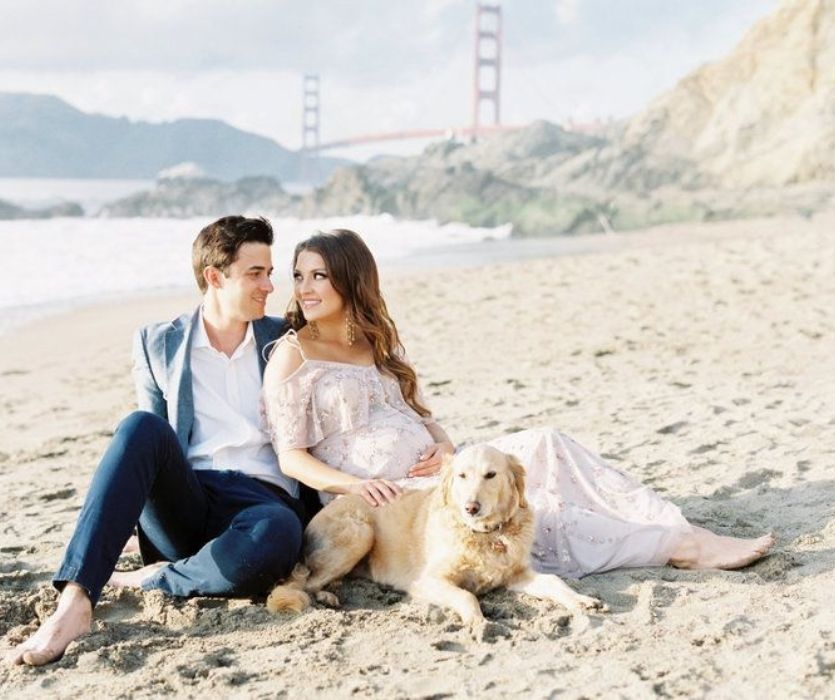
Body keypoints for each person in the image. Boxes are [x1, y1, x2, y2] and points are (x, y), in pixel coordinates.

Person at [262, 229, 775, 582]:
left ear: (351, 279)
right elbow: (291, 457)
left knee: (546, 443)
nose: (304, 288)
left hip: (443, 474)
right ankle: (680, 548)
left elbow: (424, 419)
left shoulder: (379, 343)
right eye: (299, 275)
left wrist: (445, 450)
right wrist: (357, 485)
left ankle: (672, 524)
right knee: (538, 516)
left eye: (319, 276)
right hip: (387, 500)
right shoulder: (293, 354)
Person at [10, 216, 306, 667]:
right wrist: (126, 525)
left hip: (259, 504)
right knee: (140, 426)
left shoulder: (284, 337)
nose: (269, 285)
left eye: (270, 272)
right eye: (255, 273)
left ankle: (158, 579)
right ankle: (74, 601)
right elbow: (146, 452)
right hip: (186, 498)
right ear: (214, 276)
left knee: (280, 533)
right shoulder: (156, 343)